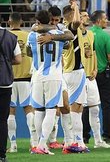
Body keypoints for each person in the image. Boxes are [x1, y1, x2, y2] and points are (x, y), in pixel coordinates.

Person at [27, 10, 67, 155]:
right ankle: (43, 145)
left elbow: (28, 52)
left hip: (37, 76)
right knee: (51, 110)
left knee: (39, 111)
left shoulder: (32, 35)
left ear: (37, 21)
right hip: (54, 76)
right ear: (50, 20)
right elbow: (69, 41)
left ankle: (39, 144)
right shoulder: (57, 34)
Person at [77, 10, 110, 149]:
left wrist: (95, 68)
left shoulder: (90, 34)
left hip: (90, 76)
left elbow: (92, 54)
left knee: (94, 108)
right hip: (77, 76)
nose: (87, 17)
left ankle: (98, 141)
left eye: (86, 15)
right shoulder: (74, 34)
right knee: (77, 110)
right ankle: (77, 140)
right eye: (83, 16)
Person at [7, 12, 37, 152]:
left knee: (10, 112)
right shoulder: (29, 36)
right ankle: (34, 142)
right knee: (29, 110)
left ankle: (13, 145)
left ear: (9, 22)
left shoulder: (5, 37)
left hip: (9, 79)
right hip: (27, 78)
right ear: (22, 22)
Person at [90, 10, 110, 144]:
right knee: (106, 107)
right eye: (105, 18)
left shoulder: (87, 34)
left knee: (87, 106)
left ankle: (85, 135)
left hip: (89, 76)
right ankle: (107, 135)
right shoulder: (105, 36)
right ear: (98, 21)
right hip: (103, 75)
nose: (107, 20)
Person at [0, 21, 21, 162]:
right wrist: (7, 62)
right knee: (2, 120)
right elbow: (18, 59)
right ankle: (2, 155)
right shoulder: (11, 37)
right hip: (5, 82)